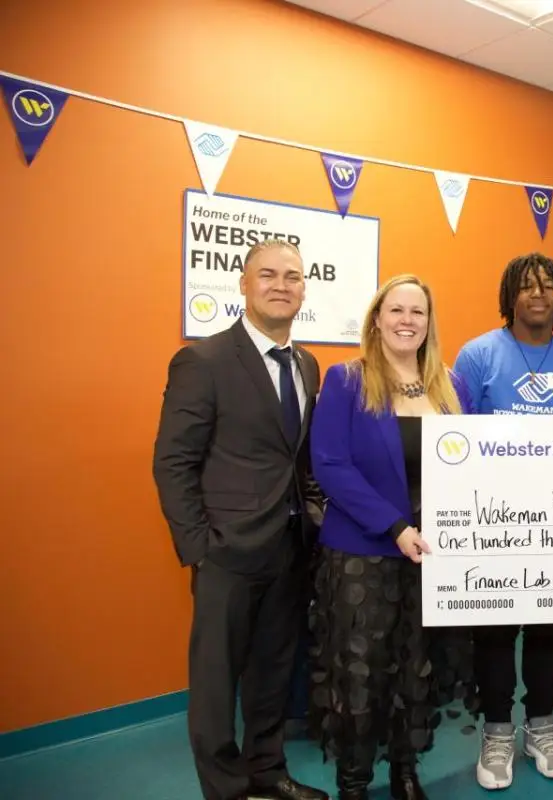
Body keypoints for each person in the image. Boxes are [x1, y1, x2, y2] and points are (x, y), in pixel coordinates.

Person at [152, 239, 328, 800]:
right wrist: (198, 545)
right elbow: (173, 461)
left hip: (288, 547)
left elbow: (298, 455)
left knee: (274, 671)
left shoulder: (306, 364)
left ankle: (267, 770)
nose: (282, 285)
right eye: (268, 275)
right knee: (215, 681)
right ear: (244, 284)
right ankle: (226, 789)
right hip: (225, 552)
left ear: (305, 288)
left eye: (293, 276)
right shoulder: (202, 360)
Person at [307, 275, 475, 800]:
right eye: (396, 310)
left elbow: (470, 462)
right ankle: (354, 781)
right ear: (376, 319)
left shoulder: (451, 387)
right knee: (361, 674)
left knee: (415, 669)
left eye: (418, 312)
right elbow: (330, 465)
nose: (407, 321)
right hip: (363, 554)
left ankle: (405, 770)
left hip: (432, 556)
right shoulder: (346, 380)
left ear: (429, 323)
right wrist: (395, 526)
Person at [452, 252, 553, 791]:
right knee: (494, 632)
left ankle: (542, 722)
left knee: (545, 631)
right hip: (491, 524)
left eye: (547, 287)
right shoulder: (476, 357)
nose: (538, 295)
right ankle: (497, 729)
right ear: (509, 296)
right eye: (527, 287)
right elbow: (455, 439)